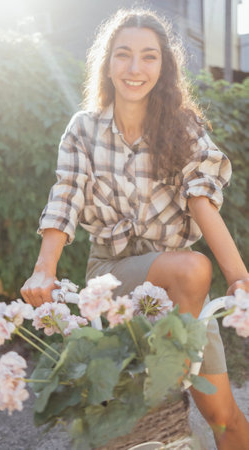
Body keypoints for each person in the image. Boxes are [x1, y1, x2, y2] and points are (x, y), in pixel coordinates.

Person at [21, 8, 249, 449]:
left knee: (227, 419)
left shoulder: (182, 128)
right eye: (123, 55)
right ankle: (171, 373)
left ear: (163, 68)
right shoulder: (83, 130)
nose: (134, 68)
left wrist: (240, 278)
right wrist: (44, 268)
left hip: (183, 294)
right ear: (107, 63)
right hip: (114, 278)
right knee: (191, 268)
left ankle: (176, 362)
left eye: (148, 57)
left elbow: (201, 201)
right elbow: (65, 195)